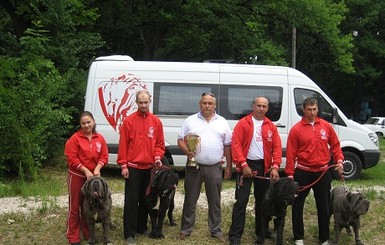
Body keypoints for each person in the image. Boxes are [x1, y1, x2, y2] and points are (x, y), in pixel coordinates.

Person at [285, 97, 344, 245]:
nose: (312, 112)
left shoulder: (326, 126)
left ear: (317, 109)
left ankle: (324, 238)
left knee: (323, 206)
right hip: (303, 172)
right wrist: (290, 175)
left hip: (323, 172)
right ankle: (298, 237)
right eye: (309, 109)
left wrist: (339, 160)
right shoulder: (296, 129)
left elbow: (336, 146)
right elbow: (291, 153)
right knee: (298, 205)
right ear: (304, 110)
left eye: (314, 109)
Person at [177, 92, 232, 242]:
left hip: (214, 166)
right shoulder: (190, 120)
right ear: (199, 104)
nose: (207, 106)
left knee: (215, 200)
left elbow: (227, 146)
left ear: (215, 105)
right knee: (190, 198)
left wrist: (229, 167)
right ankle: (186, 229)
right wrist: (187, 151)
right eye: (204, 103)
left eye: (210, 103)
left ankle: (216, 230)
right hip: (194, 165)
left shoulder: (222, 122)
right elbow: (180, 140)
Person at [228, 96, 282, 245]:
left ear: (267, 108)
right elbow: (236, 145)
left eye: (264, 106)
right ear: (253, 106)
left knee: (263, 202)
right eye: (258, 105)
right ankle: (235, 235)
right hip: (246, 165)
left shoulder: (271, 126)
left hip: (263, 166)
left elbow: (277, 148)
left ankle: (261, 231)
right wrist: (243, 165)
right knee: (241, 201)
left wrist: (275, 166)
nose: (261, 109)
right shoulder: (243, 123)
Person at [117, 90, 165, 245]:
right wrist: (123, 165)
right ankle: (129, 233)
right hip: (133, 167)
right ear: (136, 103)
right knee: (131, 201)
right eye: (140, 102)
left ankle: (141, 227)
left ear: (149, 101)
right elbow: (123, 144)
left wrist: (157, 156)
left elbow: (160, 143)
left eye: (146, 102)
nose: (143, 105)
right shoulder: (129, 121)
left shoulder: (156, 121)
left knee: (146, 199)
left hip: (149, 168)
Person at [64, 111, 109, 245]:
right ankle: (73, 236)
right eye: (83, 123)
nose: (86, 125)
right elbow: (71, 157)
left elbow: (104, 156)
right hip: (78, 176)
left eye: (88, 122)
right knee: (75, 206)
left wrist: (97, 169)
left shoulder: (99, 138)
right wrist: (85, 170)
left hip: (93, 176)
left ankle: (88, 233)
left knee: (88, 205)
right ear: (80, 124)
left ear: (93, 122)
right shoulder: (74, 139)